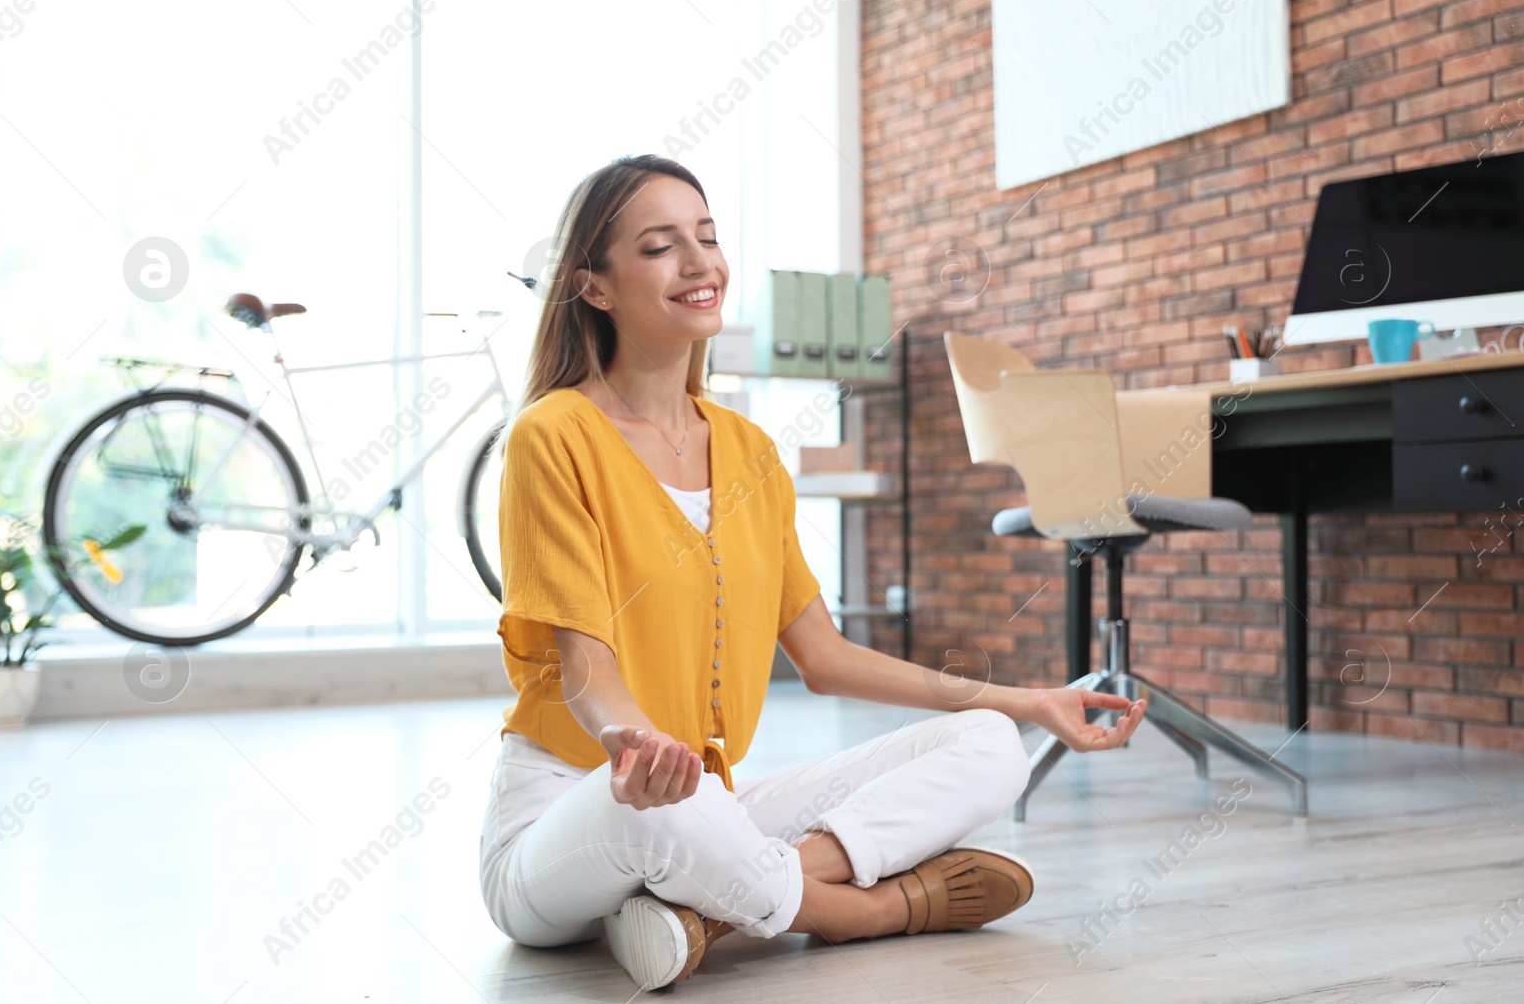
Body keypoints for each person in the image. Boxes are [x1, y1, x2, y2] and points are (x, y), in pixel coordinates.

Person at [479, 154, 1147, 992]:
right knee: (656, 804)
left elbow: (826, 659)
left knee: (989, 746)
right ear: (595, 287)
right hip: (571, 814)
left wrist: (1030, 703)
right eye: (659, 246)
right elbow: (585, 667)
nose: (699, 262)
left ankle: (704, 911)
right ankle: (870, 908)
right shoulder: (553, 434)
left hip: (698, 804)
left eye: (708, 236)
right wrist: (631, 739)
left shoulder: (752, 453)